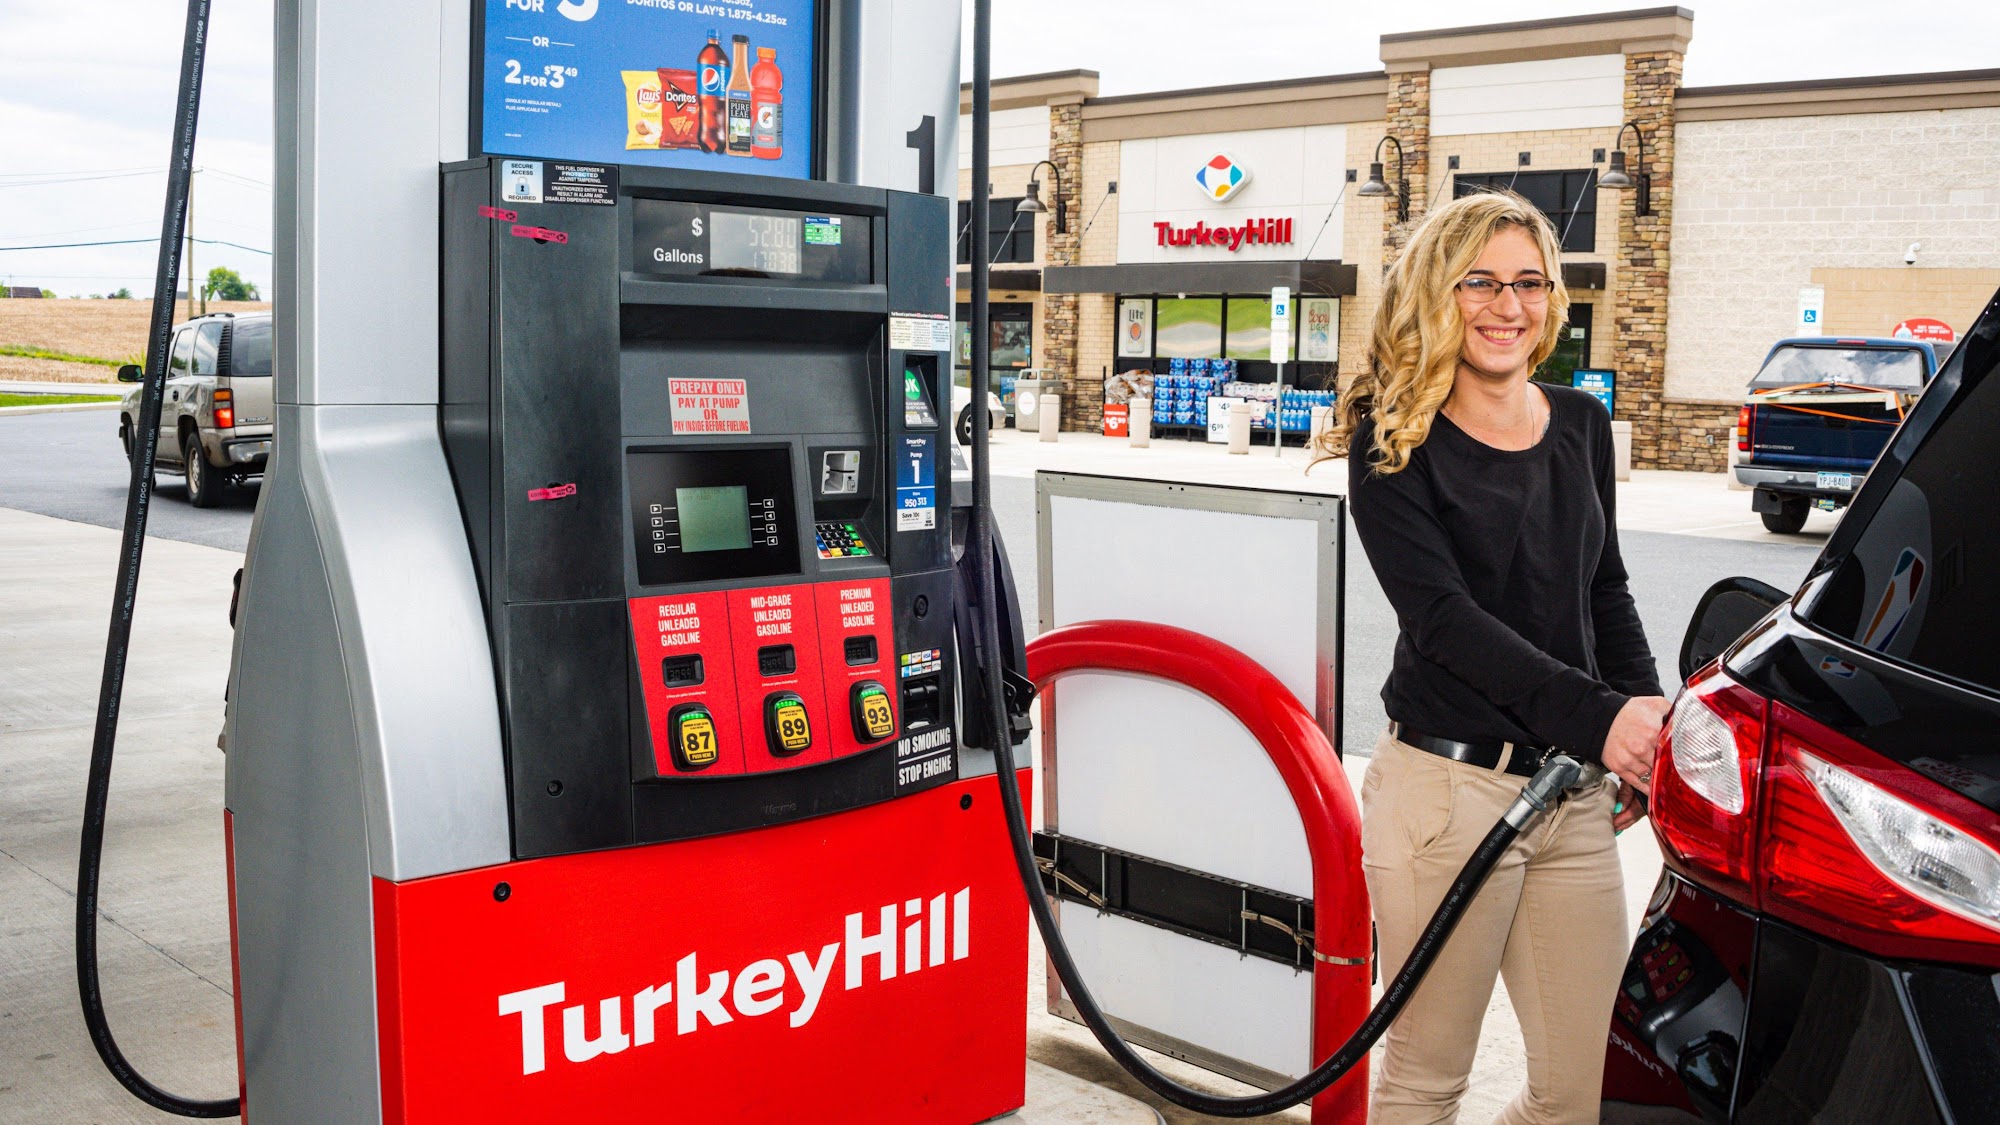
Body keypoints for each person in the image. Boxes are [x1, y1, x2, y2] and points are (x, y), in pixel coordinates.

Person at [1321, 190, 1669, 1123]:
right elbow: (1443, 621)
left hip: (1572, 796)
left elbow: (1604, 587)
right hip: (1447, 795)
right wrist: (1601, 718)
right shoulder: (1394, 436)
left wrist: (1642, 721)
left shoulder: (1582, 424)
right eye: (1480, 281)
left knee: (1581, 1090)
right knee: (1426, 1081)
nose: (1507, 305)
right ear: (1438, 291)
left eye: (1529, 283)